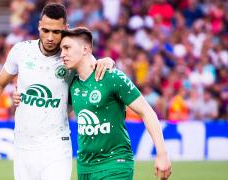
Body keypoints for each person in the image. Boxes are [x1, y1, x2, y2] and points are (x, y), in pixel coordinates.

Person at [0, 3, 114, 180]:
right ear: (38, 26)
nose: (50, 37)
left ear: (65, 29)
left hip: (56, 146)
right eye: (45, 30)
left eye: (56, 32)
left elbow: (96, 65)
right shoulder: (21, 51)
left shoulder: (70, 55)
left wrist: (107, 61)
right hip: (23, 146)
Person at [59, 27, 171, 180]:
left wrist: (162, 154)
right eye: (61, 49)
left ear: (85, 49)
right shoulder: (72, 83)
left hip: (115, 164)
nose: (62, 54)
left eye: (67, 48)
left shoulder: (112, 77)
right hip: (85, 167)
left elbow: (147, 112)